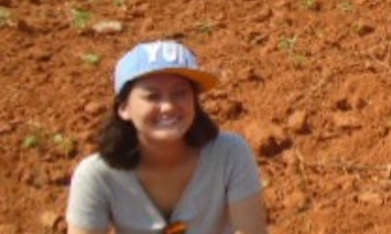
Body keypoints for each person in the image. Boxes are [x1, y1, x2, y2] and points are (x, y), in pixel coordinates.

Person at [66, 40, 268, 234]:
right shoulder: (96, 176)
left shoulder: (230, 154)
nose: (168, 107)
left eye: (180, 93)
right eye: (152, 96)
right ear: (124, 108)